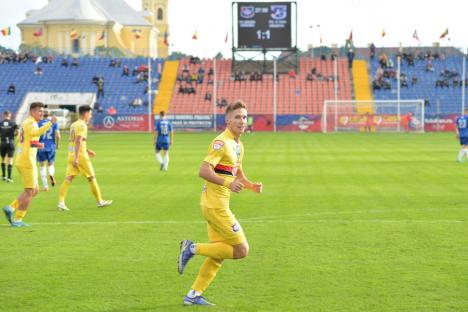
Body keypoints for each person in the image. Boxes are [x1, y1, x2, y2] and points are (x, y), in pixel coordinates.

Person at [177, 101, 263, 306]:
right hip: (216, 206)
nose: (242, 121)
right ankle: (192, 248)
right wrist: (227, 183)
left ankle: (193, 295)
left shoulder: (238, 145)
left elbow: (237, 172)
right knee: (241, 250)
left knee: (219, 253)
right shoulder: (221, 142)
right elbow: (203, 170)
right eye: (237, 117)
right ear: (227, 121)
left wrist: (251, 185)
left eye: (244, 117)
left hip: (214, 205)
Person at [2, 102, 57, 227]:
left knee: (35, 190)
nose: (42, 113)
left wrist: (38, 145)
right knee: (30, 191)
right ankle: (17, 218)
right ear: (32, 112)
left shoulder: (25, 123)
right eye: (39, 111)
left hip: (23, 159)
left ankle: (11, 208)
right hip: (27, 161)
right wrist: (51, 123)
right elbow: (37, 132)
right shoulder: (32, 123)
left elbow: (28, 140)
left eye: (42, 111)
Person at [57, 105, 112, 211]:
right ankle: (100, 201)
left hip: (71, 154)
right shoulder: (82, 125)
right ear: (86, 113)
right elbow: (78, 140)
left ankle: (61, 202)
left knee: (69, 178)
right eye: (90, 114)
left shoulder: (74, 124)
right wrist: (78, 157)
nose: (90, 116)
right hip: (80, 156)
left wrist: (86, 150)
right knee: (91, 177)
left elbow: (75, 141)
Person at [36, 111, 60, 192]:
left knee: (42, 166)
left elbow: (37, 135)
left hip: (41, 146)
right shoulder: (54, 123)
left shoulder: (38, 123)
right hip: (51, 146)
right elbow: (58, 135)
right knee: (51, 164)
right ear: (49, 116)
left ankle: (46, 186)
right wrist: (57, 145)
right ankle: (51, 174)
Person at [1, 111, 18, 182]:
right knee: (10, 160)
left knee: (3, 159)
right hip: (10, 142)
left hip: (3, 143)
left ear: (3, 115)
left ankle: (4, 176)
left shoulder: (0, 123)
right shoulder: (13, 123)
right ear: (9, 115)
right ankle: (9, 177)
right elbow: (18, 131)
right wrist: (14, 135)